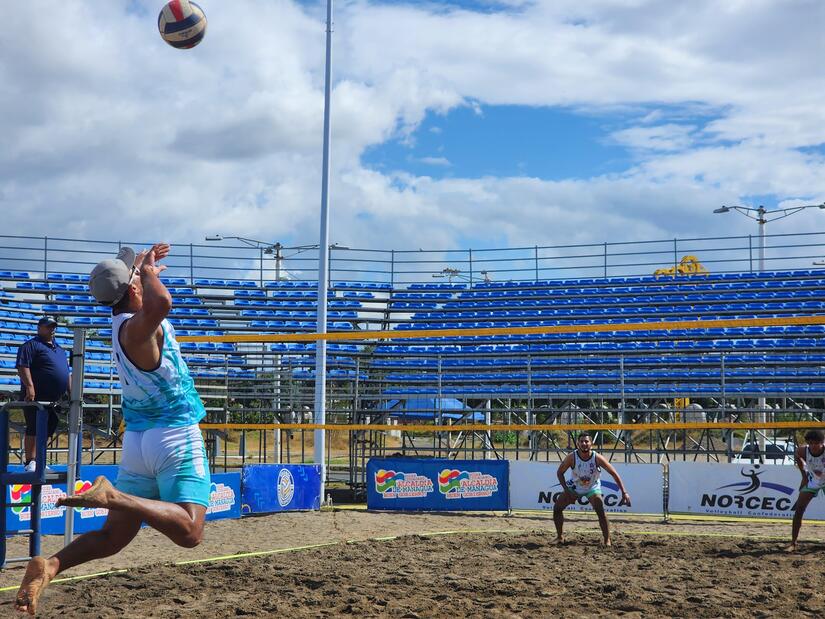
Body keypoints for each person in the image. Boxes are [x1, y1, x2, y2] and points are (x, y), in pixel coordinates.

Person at [16, 244, 211, 615]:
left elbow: (136, 292)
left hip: (139, 441)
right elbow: (162, 304)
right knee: (190, 532)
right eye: (136, 277)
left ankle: (51, 565)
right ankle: (114, 496)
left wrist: (142, 266)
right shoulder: (138, 330)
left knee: (113, 536)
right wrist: (149, 275)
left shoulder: (120, 319)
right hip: (173, 435)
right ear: (134, 290)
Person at [553, 431, 631, 546]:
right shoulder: (571, 457)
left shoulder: (597, 457)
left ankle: (607, 540)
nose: (584, 443)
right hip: (575, 487)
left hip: (592, 487)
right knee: (557, 509)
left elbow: (614, 474)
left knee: (600, 510)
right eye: (581, 441)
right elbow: (559, 473)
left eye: (586, 441)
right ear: (578, 444)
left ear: (591, 443)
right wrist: (566, 490)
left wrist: (624, 492)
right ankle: (560, 537)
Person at [15, 316, 70, 472]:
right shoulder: (31, 345)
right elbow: (22, 366)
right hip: (36, 397)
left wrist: (71, 393)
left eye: (53, 326)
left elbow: (66, 372)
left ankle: (40, 460)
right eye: (48, 326)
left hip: (55, 399)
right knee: (33, 427)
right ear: (40, 328)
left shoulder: (59, 349)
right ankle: (30, 461)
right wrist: (29, 387)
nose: (52, 329)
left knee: (47, 429)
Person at [786, 429, 825, 552]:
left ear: (822, 442)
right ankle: (793, 543)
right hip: (813, 480)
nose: (813, 446)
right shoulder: (802, 451)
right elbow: (797, 457)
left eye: (816, 443)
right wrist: (804, 476)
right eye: (811, 443)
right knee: (799, 509)